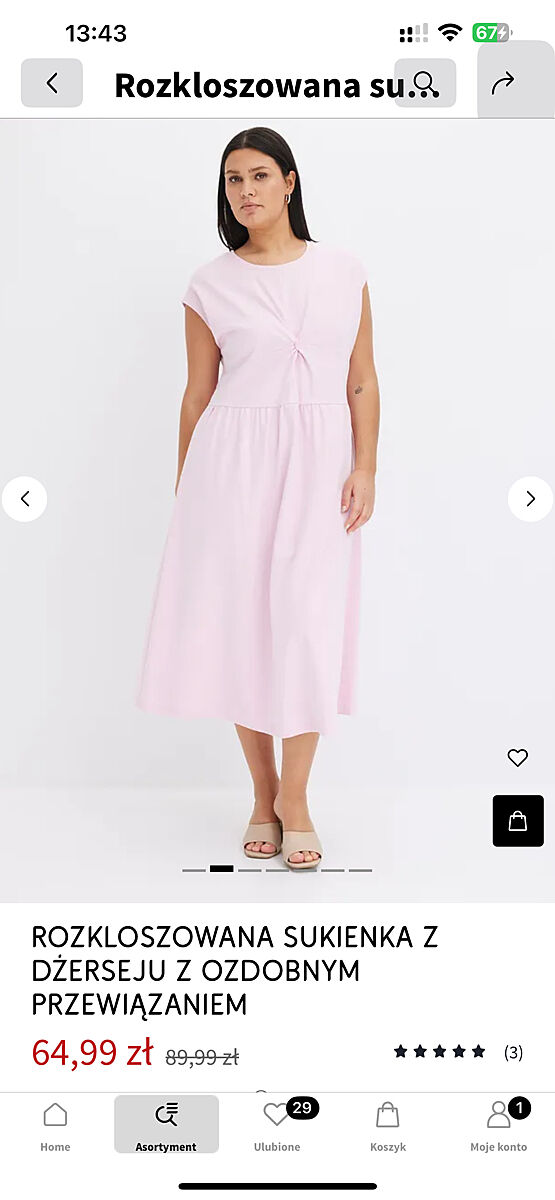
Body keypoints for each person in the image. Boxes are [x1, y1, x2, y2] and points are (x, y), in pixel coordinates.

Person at [138, 126, 380, 870]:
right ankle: (263, 794)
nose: (245, 191)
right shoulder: (208, 284)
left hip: (320, 467)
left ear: (289, 182)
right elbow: (196, 395)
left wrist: (366, 467)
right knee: (244, 628)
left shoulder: (344, 272)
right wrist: (187, 488)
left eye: (259, 175)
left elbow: (361, 380)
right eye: (232, 179)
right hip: (230, 469)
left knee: (306, 624)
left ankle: (297, 799)